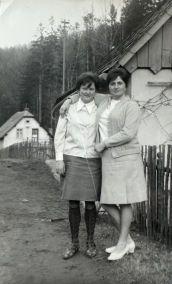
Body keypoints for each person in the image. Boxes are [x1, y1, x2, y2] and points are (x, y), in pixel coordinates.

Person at [60, 68, 147, 261]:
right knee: (106, 201)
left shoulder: (131, 106)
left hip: (125, 156)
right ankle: (128, 240)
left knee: (124, 201)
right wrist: (68, 101)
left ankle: (123, 243)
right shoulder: (104, 100)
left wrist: (104, 143)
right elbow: (83, 92)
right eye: (113, 83)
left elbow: (128, 133)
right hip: (107, 158)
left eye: (120, 83)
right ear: (109, 86)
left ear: (126, 86)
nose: (116, 87)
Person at [54, 72, 102, 259]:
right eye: (84, 87)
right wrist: (59, 159)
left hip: (93, 159)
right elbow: (59, 135)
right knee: (73, 202)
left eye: (91, 87)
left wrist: (69, 97)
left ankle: (90, 241)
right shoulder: (69, 109)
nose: (87, 91)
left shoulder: (101, 108)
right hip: (72, 158)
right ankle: (74, 242)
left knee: (90, 203)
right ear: (78, 89)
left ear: (96, 90)